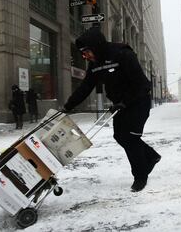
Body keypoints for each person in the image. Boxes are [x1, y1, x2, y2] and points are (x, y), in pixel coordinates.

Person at [63, 27, 161, 192]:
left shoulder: (122, 54)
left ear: (96, 46)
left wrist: (125, 101)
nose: (85, 56)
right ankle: (151, 156)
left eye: (86, 52)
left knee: (129, 138)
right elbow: (85, 87)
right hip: (120, 105)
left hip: (138, 101)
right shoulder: (95, 64)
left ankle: (140, 176)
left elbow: (143, 85)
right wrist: (68, 106)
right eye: (82, 54)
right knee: (119, 136)